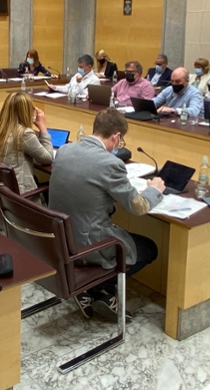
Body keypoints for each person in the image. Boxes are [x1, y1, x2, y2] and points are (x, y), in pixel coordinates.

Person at [49, 108, 164, 321]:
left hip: (60, 238)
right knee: (149, 248)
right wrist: (154, 189)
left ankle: (92, 290)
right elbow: (138, 207)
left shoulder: (64, 150)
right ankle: (101, 288)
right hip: (86, 245)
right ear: (117, 137)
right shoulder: (111, 164)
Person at [0, 92, 54, 195]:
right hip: (19, 197)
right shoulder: (24, 134)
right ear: (26, 112)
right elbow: (48, 158)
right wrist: (43, 128)